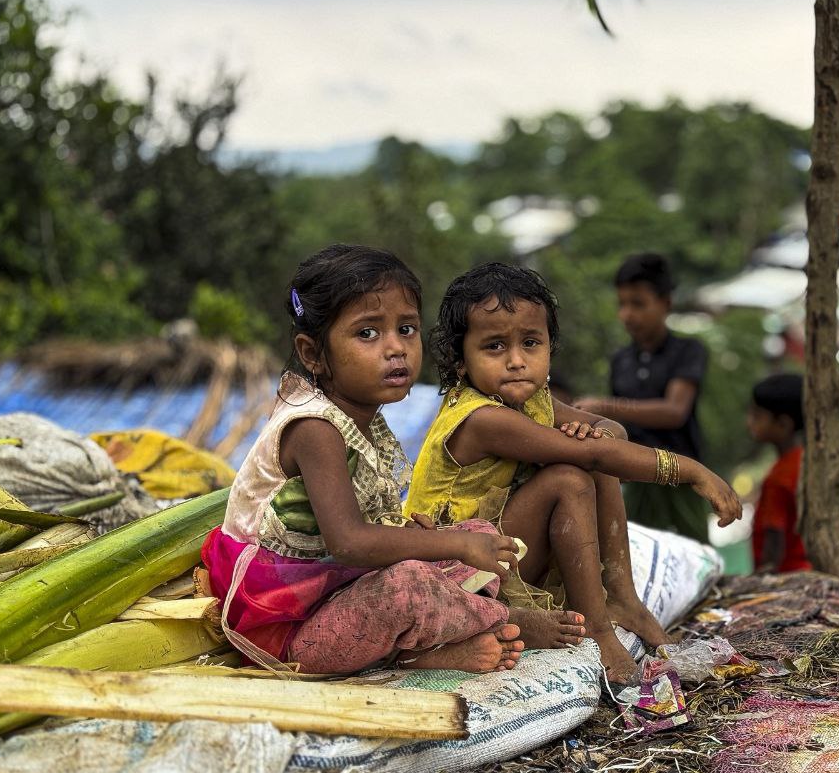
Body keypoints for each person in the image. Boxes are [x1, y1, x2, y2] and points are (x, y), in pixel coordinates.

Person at [202, 244, 583, 677]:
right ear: (312, 354)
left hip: (341, 591)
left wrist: (426, 536)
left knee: (476, 533)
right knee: (409, 586)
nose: (395, 348)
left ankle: (429, 645)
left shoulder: (362, 419)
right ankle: (503, 621)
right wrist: (448, 544)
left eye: (406, 329)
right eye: (368, 333)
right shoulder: (316, 429)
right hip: (288, 628)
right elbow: (350, 543)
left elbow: (355, 533)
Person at [406, 262, 742, 684]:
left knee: (588, 453)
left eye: (531, 343)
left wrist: (594, 430)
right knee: (571, 475)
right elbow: (601, 458)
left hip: (501, 550)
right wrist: (690, 471)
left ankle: (623, 596)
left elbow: (611, 435)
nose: (516, 361)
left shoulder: (534, 399)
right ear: (460, 361)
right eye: (494, 347)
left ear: (549, 345)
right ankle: (598, 628)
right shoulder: (482, 418)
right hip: (460, 574)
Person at [573, 253, 711, 543]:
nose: (627, 314)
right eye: (622, 304)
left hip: (682, 477)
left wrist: (606, 406)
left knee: (694, 551)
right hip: (636, 475)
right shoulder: (621, 360)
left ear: (666, 304)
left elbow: (675, 410)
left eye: (638, 304)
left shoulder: (688, 351)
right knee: (635, 549)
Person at [747, 373, 811, 574]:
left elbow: (774, 538)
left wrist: (763, 579)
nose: (749, 422)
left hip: (786, 576)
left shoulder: (780, 476)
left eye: (757, 416)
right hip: (806, 570)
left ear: (783, 424)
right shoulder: (805, 462)